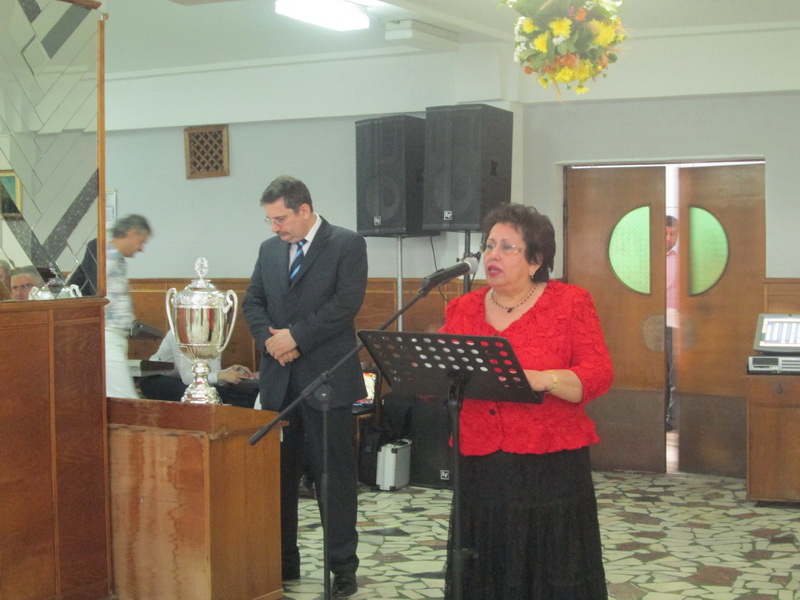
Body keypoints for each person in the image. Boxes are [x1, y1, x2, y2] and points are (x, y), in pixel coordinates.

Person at [439, 203, 614, 600]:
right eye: (489, 245)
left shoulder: (570, 303)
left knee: (549, 567)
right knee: (488, 561)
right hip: (481, 462)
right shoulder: (463, 308)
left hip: (549, 464)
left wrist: (545, 379)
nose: (493, 255)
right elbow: (442, 378)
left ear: (536, 260)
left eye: (507, 247)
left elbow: (599, 374)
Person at [243, 175, 367, 598]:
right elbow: (253, 301)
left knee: (333, 479)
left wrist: (295, 337)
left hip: (326, 379)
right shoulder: (269, 250)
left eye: (280, 219)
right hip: (279, 381)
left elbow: (345, 304)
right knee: (278, 480)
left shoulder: (346, 244)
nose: (275, 228)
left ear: (304, 210)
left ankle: (342, 569)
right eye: (269, 220)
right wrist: (271, 342)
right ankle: (284, 562)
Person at [138, 329, 258, 408]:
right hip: (155, 378)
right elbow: (187, 377)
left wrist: (229, 372)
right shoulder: (179, 333)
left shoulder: (215, 334)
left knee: (220, 392)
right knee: (200, 395)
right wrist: (222, 375)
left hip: (183, 380)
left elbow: (213, 374)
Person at [105, 214, 151, 399]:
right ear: (132, 233)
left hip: (117, 337)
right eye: (141, 241)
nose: (141, 249)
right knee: (125, 398)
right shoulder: (104, 258)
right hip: (106, 336)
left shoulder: (119, 260)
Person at [665, 215, 679, 431]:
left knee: (675, 374)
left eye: (673, 234)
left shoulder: (680, 260)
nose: (668, 238)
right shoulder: (646, 257)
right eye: (665, 233)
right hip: (650, 320)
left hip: (676, 322)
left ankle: (673, 419)